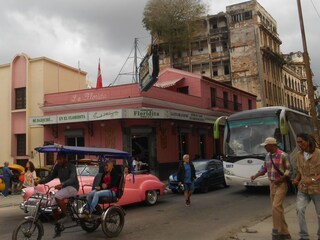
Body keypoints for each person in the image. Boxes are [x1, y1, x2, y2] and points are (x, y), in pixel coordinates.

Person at [251, 137, 292, 240]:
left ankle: (276, 231)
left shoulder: (283, 155)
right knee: (278, 209)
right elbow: (264, 168)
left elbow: (289, 170)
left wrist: (282, 178)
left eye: (266, 145)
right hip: (272, 184)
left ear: (272, 145)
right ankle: (285, 233)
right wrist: (256, 175)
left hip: (281, 184)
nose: (264, 147)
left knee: (275, 207)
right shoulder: (267, 156)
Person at [37, 153, 79, 230]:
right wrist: (40, 181)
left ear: (64, 159)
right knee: (53, 204)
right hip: (64, 188)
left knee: (57, 196)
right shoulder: (57, 167)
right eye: (57, 159)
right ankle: (58, 222)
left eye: (60, 159)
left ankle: (67, 215)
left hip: (73, 187)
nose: (58, 161)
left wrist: (62, 184)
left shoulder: (71, 166)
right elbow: (51, 176)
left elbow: (72, 179)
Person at [292, 133, 320, 240]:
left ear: (307, 141)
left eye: (301, 142)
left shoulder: (318, 153)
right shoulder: (299, 155)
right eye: (297, 142)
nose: (299, 144)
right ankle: (304, 236)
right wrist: (297, 179)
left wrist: (313, 179)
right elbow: (300, 171)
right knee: (299, 210)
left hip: (317, 189)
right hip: (303, 189)